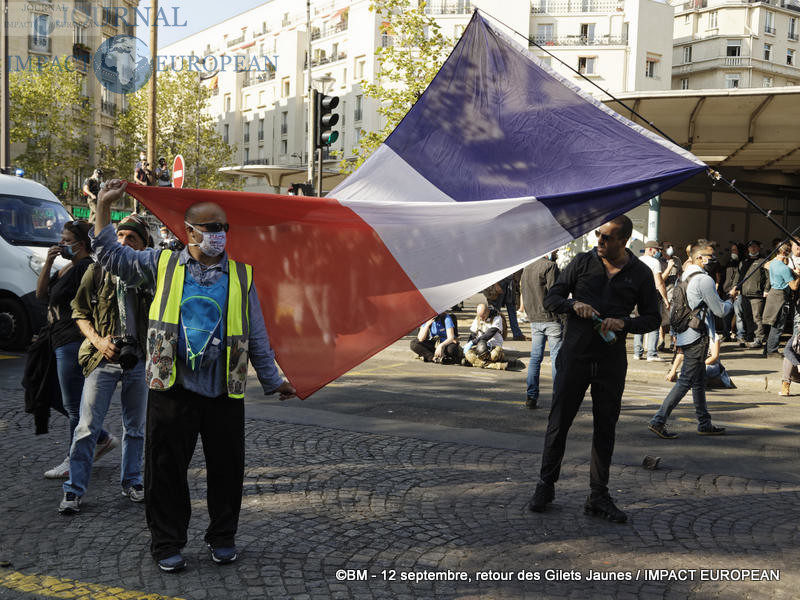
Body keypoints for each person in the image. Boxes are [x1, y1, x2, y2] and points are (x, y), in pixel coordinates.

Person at [92, 180, 296, 573]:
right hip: (172, 388)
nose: (218, 235)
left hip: (224, 390)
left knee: (227, 469)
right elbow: (111, 256)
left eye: (223, 228)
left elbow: (256, 334)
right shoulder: (161, 264)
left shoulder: (240, 275)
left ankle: (222, 538)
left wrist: (273, 380)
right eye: (210, 227)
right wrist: (102, 208)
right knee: (165, 470)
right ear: (189, 232)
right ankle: (167, 542)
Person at [528, 215, 660, 523]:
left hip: (612, 360)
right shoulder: (581, 263)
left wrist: (625, 322)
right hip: (575, 354)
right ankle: (545, 486)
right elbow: (552, 298)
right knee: (559, 422)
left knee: (605, 428)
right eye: (598, 235)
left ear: (624, 241)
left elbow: (653, 318)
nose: (599, 241)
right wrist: (574, 305)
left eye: (606, 238)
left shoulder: (640, 273)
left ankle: (598, 496)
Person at [59, 215, 153, 515]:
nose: (123, 242)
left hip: (139, 359)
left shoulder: (151, 274)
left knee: (135, 428)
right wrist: (99, 341)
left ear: (143, 245)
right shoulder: (97, 271)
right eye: (120, 235)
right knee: (87, 427)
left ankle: (133, 482)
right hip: (103, 357)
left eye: (131, 238)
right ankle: (73, 490)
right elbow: (79, 313)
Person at [38, 220, 116, 479]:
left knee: (73, 406)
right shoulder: (66, 267)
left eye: (65, 239)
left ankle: (75, 459)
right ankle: (101, 437)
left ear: (79, 244)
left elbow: (85, 307)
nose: (61, 243)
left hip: (72, 341)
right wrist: (49, 263)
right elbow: (41, 295)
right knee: (52, 394)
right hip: (56, 338)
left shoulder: (85, 268)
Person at [649, 242, 732, 440]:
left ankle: (704, 423)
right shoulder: (704, 280)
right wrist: (730, 300)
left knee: (698, 380)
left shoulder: (685, 275)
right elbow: (720, 310)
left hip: (685, 334)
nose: (713, 259)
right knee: (687, 380)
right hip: (697, 337)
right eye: (710, 256)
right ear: (699, 258)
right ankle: (658, 421)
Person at [520, 250, 562, 409]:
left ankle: (531, 396)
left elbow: (524, 292)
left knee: (535, 358)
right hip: (550, 318)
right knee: (556, 359)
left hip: (535, 318)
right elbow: (555, 294)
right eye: (556, 250)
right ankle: (558, 397)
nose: (557, 252)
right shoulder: (550, 266)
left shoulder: (527, 267)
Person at [633, 240, 669, 362]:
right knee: (654, 323)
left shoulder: (637, 260)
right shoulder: (655, 262)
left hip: (638, 295)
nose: (658, 252)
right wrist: (665, 299)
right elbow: (659, 282)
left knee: (639, 322)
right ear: (649, 249)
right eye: (656, 249)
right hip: (652, 295)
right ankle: (652, 354)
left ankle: (637, 353)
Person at [762, 243, 799, 357]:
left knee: (772, 323)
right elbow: (794, 286)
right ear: (784, 252)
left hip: (773, 293)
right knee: (778, 325)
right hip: (780, 296)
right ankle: (772, 351)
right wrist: (798, 276)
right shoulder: (784, 269)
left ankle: (767, 349)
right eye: (788, 251)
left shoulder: (772, 263)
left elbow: (765, 265)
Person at [739, 240, 768, 348]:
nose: (753, 249)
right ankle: (750, 337)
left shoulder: (763, 260)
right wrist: (737, 288)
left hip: (757, 294)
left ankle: (759, 338)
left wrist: (766, 289)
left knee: (757, 317)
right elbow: (739, 276)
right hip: (745, 294)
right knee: (747, 317)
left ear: (759, 248)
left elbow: (768, 277)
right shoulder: (744, 261)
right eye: (751, 247)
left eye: (755, 247)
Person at [463, 304, 508, 369]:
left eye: (483, 316)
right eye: (480, 316)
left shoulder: (497, 317)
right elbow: (473, 334)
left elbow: (489, 334)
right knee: (468, 354)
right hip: (479, 347)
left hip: (494, 345)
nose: (481, 318)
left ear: (488, 311)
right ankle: (493, 365)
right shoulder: (478, 317)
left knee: (494, 355)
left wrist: (473, 342)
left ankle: (476, 362)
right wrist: (468, 344)